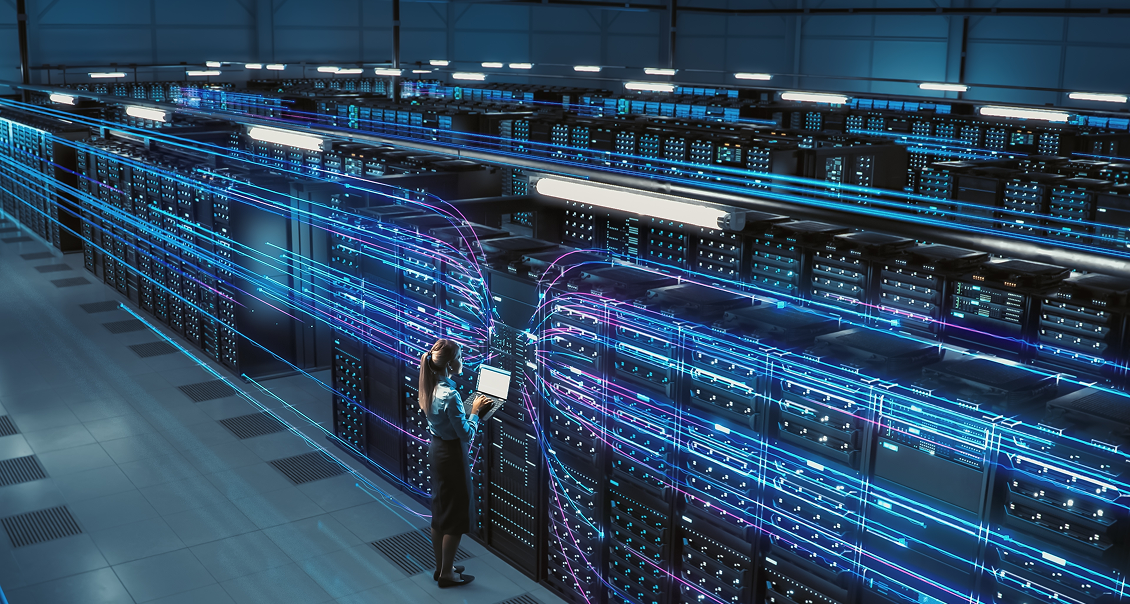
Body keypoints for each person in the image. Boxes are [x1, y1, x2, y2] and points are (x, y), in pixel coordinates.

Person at [419, 338, 490, 588]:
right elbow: (466, 434)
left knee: (441, 512)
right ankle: (447, 575)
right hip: (451, 456)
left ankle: (441, 567)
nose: (463, 361)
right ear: (450, 364)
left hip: (437, 450)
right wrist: (475, 412)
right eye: (460, 357)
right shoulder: (451, 395)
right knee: (456, 518)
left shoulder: (429, 385)